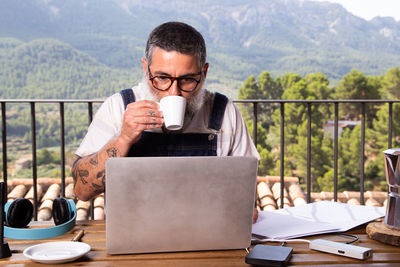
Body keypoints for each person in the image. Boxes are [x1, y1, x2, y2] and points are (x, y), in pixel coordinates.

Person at [72, 21, 260, 221]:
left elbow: (249, 202)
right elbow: (81, 190)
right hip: (132, 234)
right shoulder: (118, 106)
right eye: (162, 78)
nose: (174, 92)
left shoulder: (224, 112)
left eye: (187, 80)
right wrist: (123, 140)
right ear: (146, 68)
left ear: (204, 73)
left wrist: (244, 206)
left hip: (204, 235)